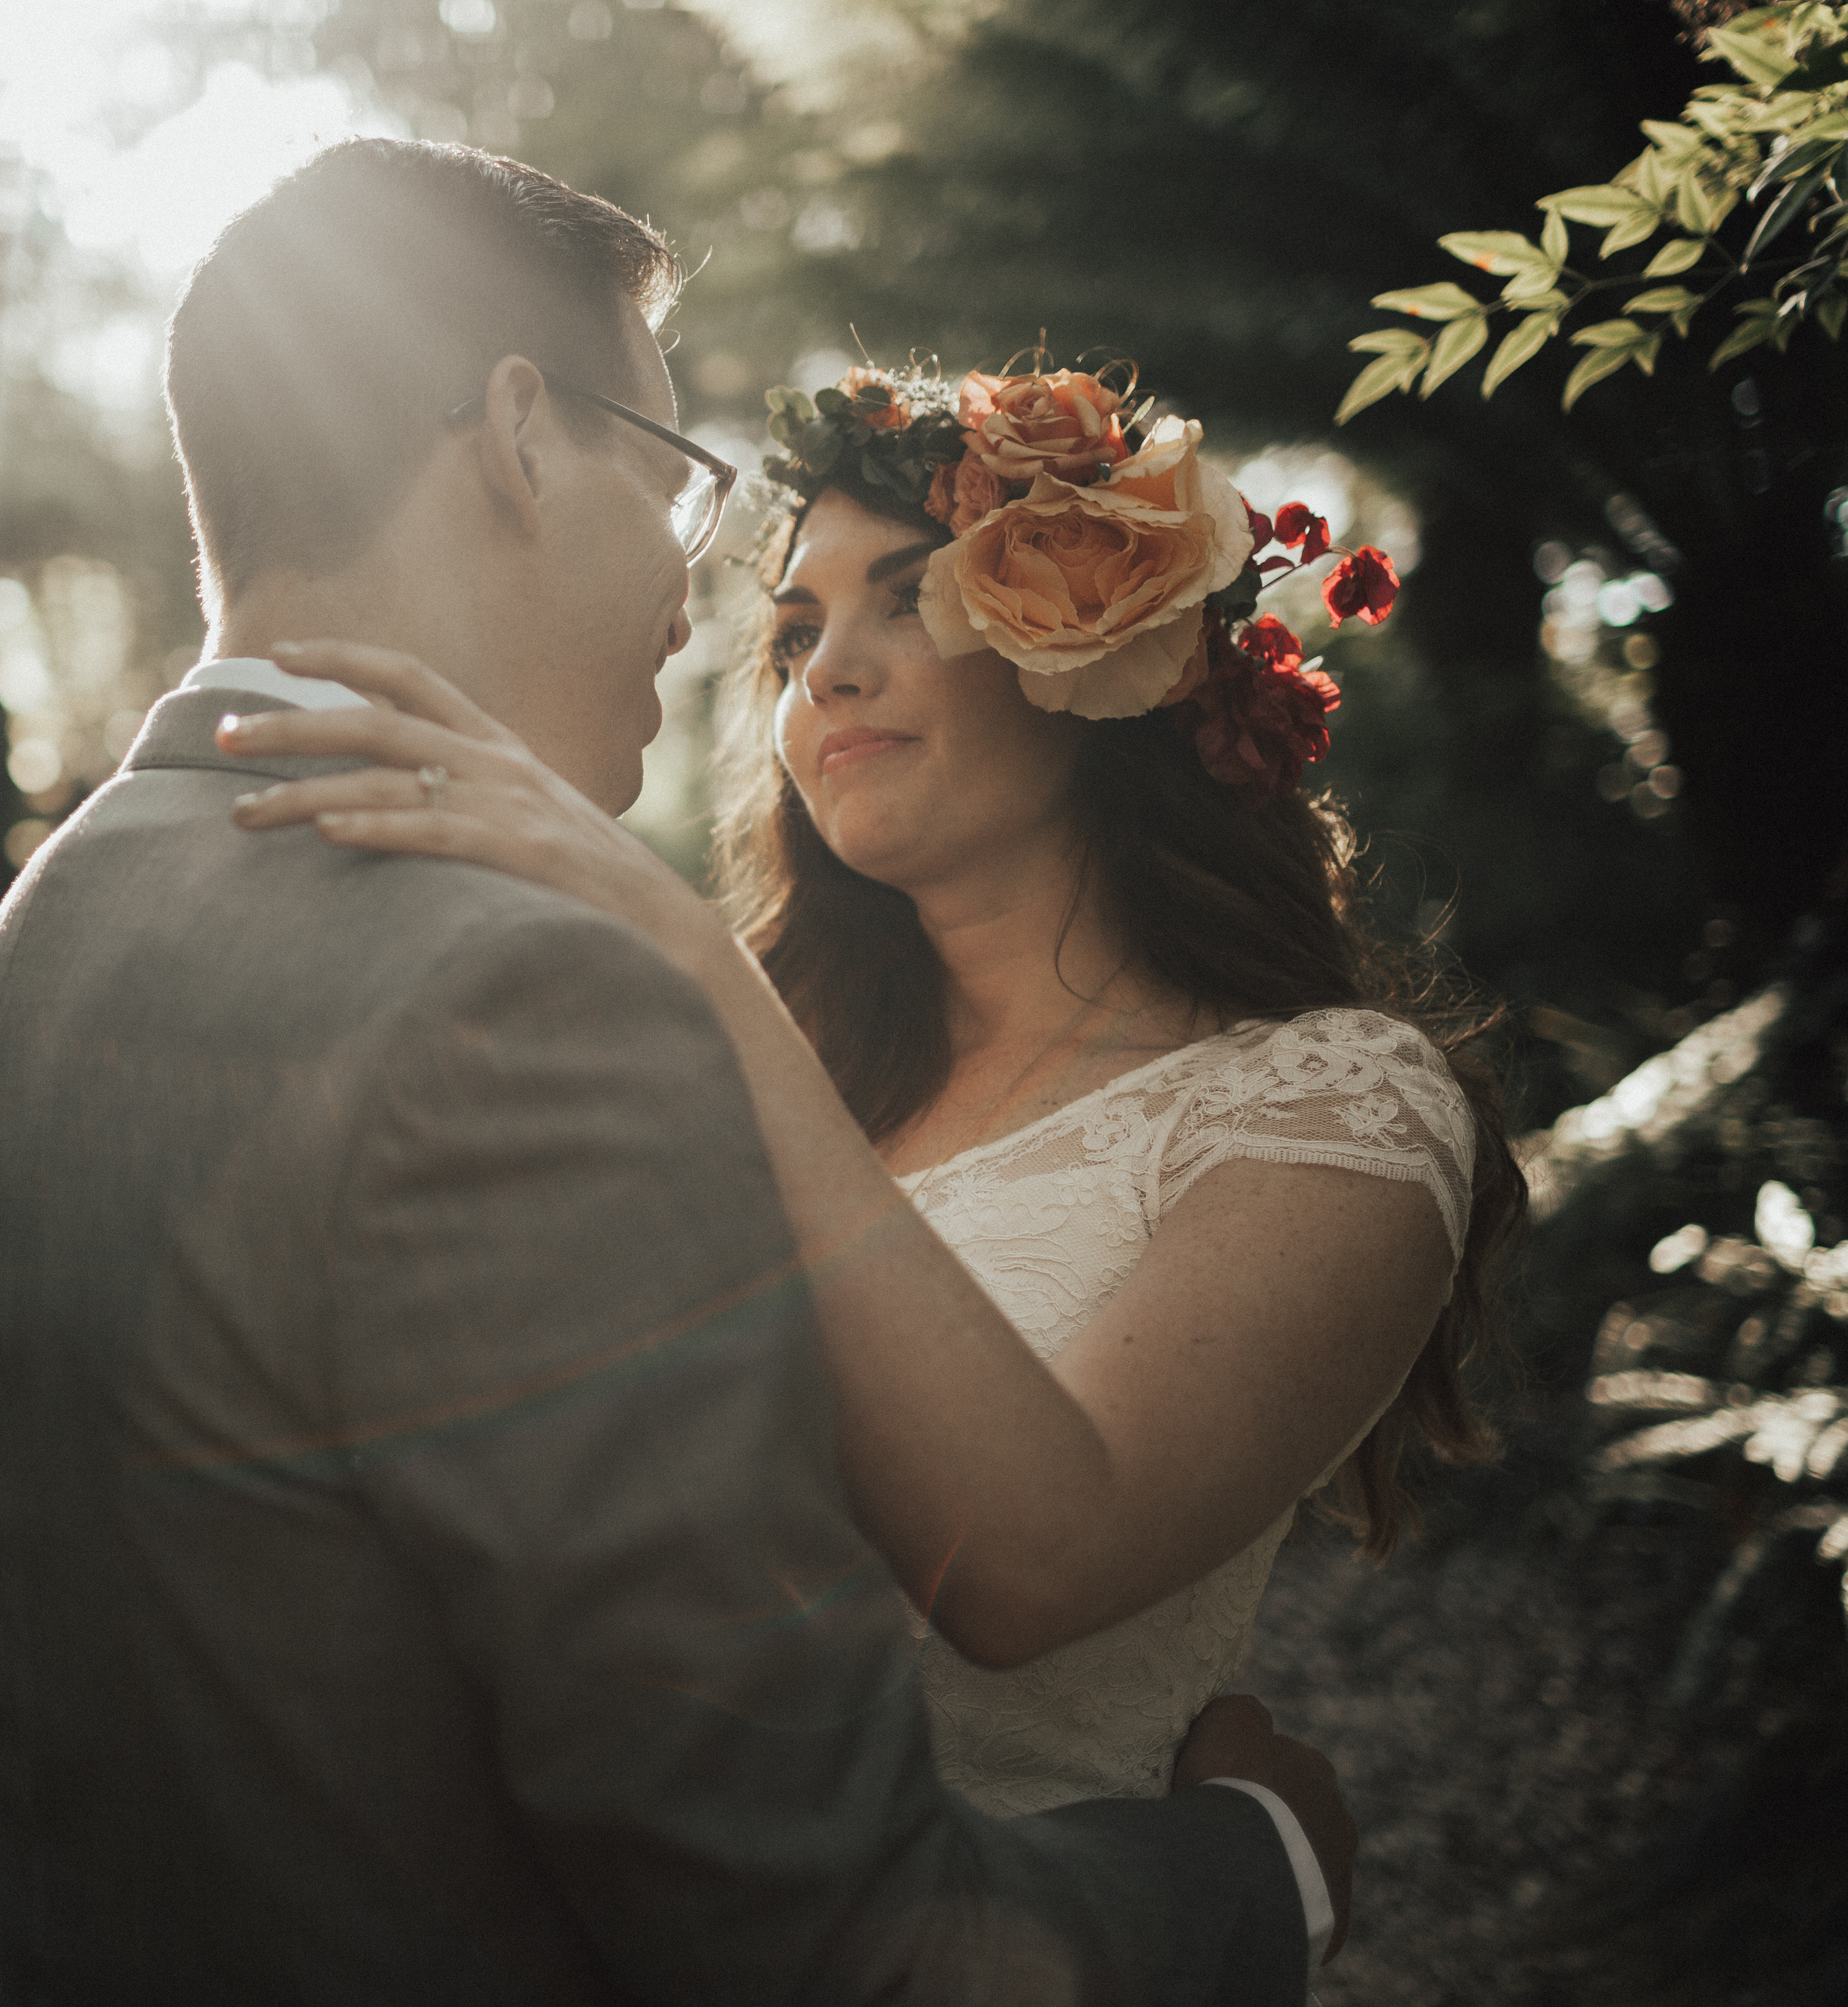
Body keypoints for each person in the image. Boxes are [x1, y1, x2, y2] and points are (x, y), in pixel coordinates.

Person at [0, 140, 1347, 2004]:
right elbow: (847, 1963)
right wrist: (1256, 1868)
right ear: (522, 434)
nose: (699, 598)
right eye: (680, 487)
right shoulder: (517, 1010)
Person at [221, 356, 1527, 1828]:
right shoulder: (733, 1089)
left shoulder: (1331, 1102)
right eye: (792, 634)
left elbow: (1035, 1563)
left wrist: (681, 958)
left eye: (909, 598)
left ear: (1103, 645)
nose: (826, 669)